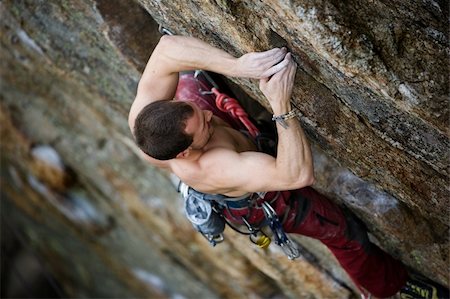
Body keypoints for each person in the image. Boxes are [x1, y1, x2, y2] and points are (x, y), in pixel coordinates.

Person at [128, 34, 447, 299]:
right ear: (185, 154)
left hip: (218, 144)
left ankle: (204, 108)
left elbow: (167, 49)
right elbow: (295, 175)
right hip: (265, 198)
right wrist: (281, 105)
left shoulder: (145, 120)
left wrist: (238, 66)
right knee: (344, 232)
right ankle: (388, 288)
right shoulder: (218, 167)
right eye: (204, 126)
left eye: (197, 111)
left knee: (191, 78)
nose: (209, 115)